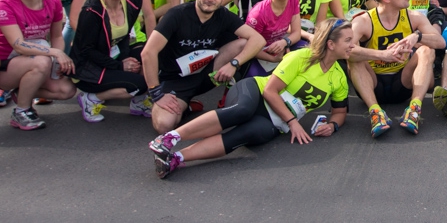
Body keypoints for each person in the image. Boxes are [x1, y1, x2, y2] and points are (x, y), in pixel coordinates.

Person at [149, 18, 351, 179]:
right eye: (348, 40)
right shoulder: (301, 57)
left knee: (255, 132)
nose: (353, 45)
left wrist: (333, 125)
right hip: (256, 92)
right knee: (242, 110)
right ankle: (169, 138)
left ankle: (176, 158)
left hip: (274, 119)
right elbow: (270, 91)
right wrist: (292, 122)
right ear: (331, 44)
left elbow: (340, 111)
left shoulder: (339, 76)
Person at [144, 0, 265, 133]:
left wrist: (234, 64)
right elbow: (148, 52)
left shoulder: (224, 15)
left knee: (243, 43)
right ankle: (184, 105)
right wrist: (156, 93)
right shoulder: (177, 15)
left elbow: (258, 40)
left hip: (206, 74)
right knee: (164, 125)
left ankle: (233, 98)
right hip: (175, 80)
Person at [349, 0, 444, 136]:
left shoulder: (413, 16)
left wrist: (417, 37)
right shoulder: (364, 20)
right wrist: (382, 55)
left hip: (402, 82)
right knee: (354, 58)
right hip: (373, 83)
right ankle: (375, 112)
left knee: (427, 50)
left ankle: (414, 109)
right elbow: (345, 49)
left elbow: (440, 42)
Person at [0, 0, 78, 130]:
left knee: (66, 90)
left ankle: (21, 92)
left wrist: (57, 59)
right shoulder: (5, 4)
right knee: (41, 61)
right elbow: (18, 45)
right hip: (5, 64)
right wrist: (54, 53)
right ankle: (21, 111)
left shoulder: (52, 1)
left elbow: (57, 36)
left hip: (37, 54)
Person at [70, 0, 154, 122]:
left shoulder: (131, 3)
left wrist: (125, 58)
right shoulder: (91, 11)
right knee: (140, 84)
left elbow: (123, 38)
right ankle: (91, 98)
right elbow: (86, 51)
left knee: (151, 59)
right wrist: (120, 66)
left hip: (111, 55)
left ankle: (138, 103)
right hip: (88, 67)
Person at [241, 0, 303, 79]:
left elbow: (296, 33)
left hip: (280, 45)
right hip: (258, 51)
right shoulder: (259, 13)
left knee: (306, 51)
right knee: (254, 81)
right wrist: (273, 59)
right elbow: (245, 46)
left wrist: (284, 42)